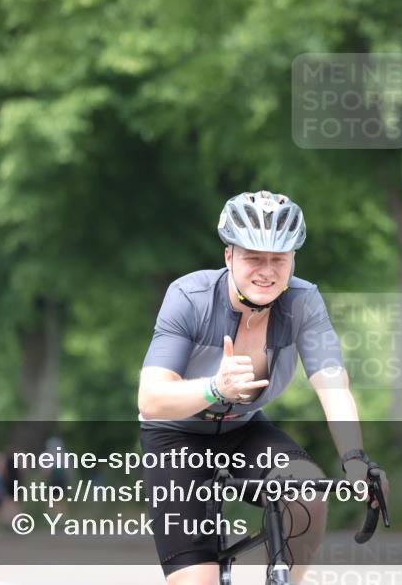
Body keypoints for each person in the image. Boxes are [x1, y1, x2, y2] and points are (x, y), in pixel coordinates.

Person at [137, 190, 388, 585]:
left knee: (306, 491)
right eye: (253, 257)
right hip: (175, 437)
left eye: (279, 259)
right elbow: (151, 400)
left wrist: (356, 460)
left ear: (293, 261)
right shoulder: (189, 297)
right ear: (229, 257)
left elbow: (333, 386)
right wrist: (215, 389)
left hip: (244, 430)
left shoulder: (304, 303)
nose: (266, 271)